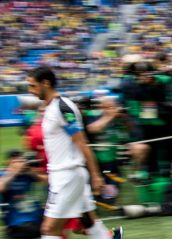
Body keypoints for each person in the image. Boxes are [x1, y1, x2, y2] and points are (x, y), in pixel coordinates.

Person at [26, 66, 122, 239]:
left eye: (33, 86)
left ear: (45, 83)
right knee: (87, 220)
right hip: (64, 174)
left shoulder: (63, 108)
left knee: (49, 230)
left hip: (66, 175)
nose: (30, 90)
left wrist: (96, 175)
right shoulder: (50, 108)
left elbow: (82, 143)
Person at [0, 150, 47, 239]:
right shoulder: (3, 174)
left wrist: (30, 171)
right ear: (9, 162)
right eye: (16, 161)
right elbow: (1, 187)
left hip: (38, 223)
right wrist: (13, 173)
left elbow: (48, 180)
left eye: (21, 160)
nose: (20, 163)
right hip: (17, 225)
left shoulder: (27, 175)